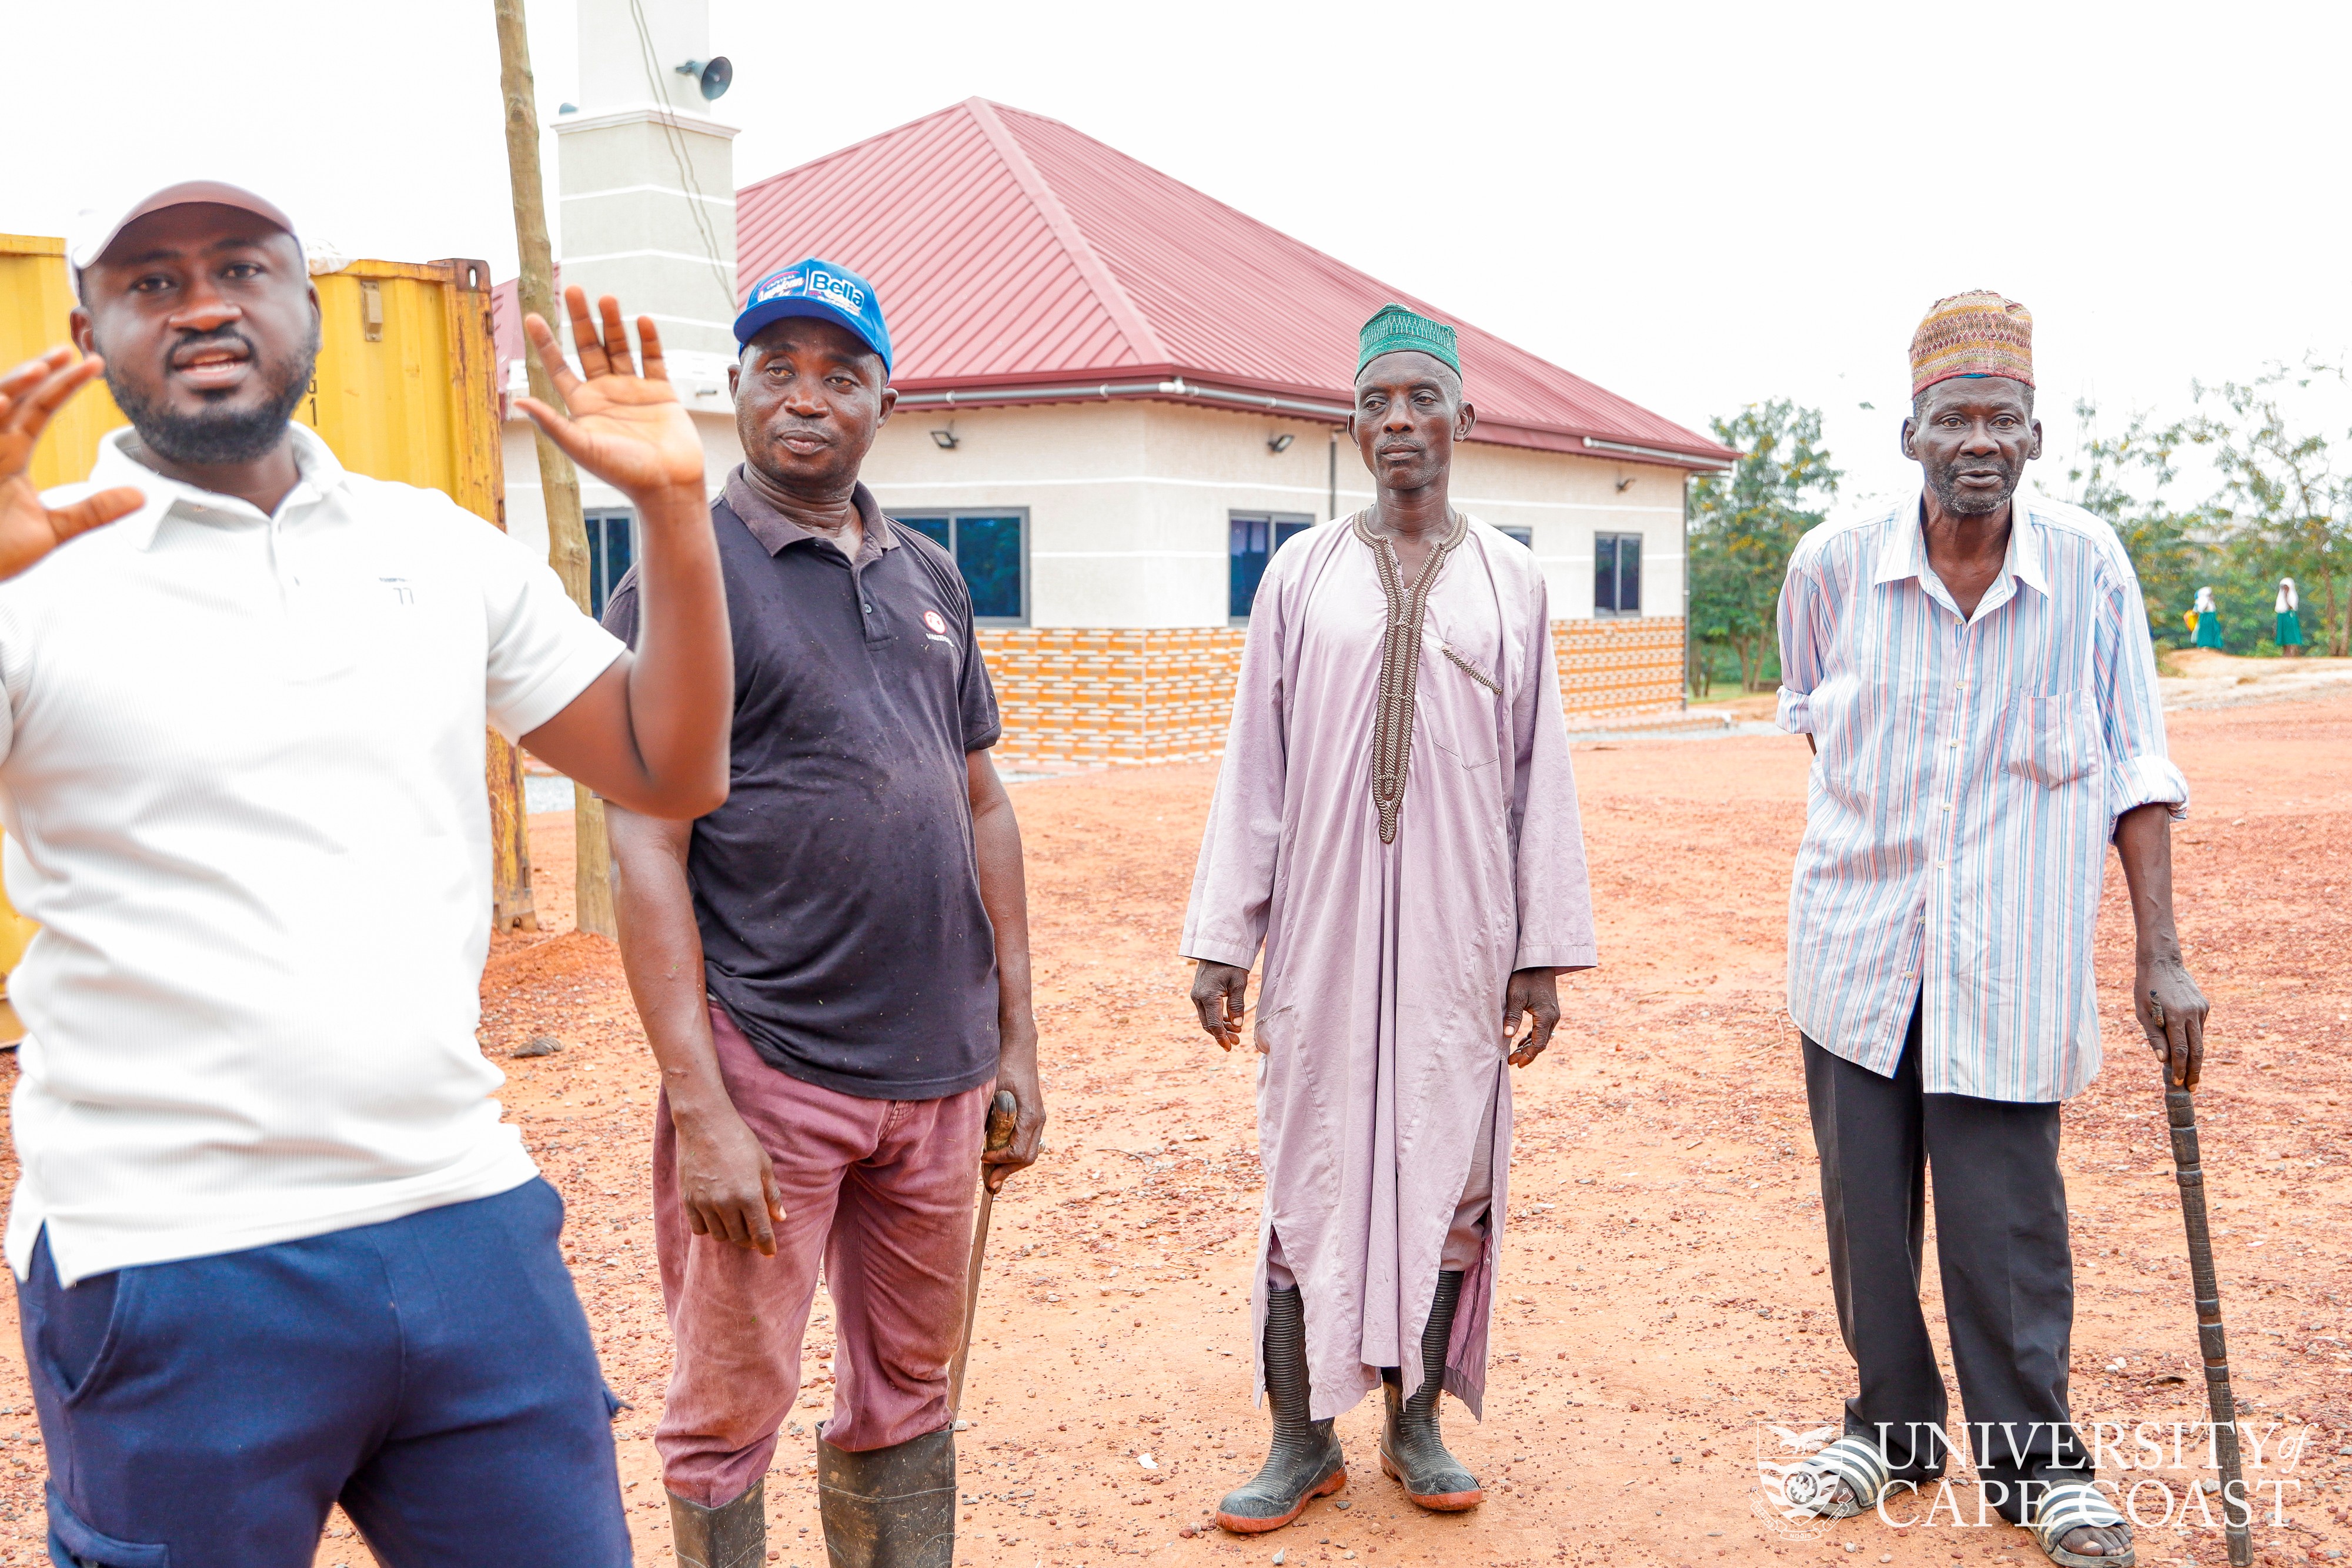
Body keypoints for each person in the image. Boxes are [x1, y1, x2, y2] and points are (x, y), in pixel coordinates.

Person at [0, 180, 731, 1564]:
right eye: (152, 281)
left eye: (241, 268)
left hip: (462, 1218)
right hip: (167, 1251)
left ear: (307, 305)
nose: (202, 305)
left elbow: (667, 766)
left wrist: (675, 513)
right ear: (87, 330)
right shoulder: (31, 568)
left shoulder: (434, 547)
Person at [602, 258, 1045, 1568]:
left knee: (910, 1383)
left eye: (839, 374)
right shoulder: (683, 574)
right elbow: (646, 843)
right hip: (773, 1072)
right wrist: (702, 1110)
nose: (807, 397)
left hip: (942, 1075)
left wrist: (1016, 1043)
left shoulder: (929, 576)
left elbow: (983, 806)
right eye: (777, 369)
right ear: (734, 388)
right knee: (728, 1403)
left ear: (882, 401)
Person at [1773, 290, 2209, 1568]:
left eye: (2002, 418)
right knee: (1864, 1212)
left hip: (2012, 954)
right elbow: (1814, 719)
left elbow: (2134, 761)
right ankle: (1890, 1430)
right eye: (1954, 417)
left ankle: (2036, 1466)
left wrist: (2160, 950)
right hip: (1856, 945)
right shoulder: (1829, 566)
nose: (1979, 439)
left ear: (2035, 434)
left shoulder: (2088, 568)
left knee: (2006, 1220)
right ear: (1909, 433)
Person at [1182, 304, 1595, 1533]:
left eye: (1422, 399)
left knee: (1446, 1166)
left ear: (1465, 416)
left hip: (1462, 935)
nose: (1399, 421)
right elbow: (1253, 763)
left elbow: (1540, 777)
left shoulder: (1513, 582)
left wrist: (1537, 953)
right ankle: (1299, 1436)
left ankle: (1415, 1425)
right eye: (1376, 402)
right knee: (1307, 1164)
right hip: (1319, 927)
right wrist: (1224, 934)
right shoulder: (1299, 574)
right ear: (1351, 424)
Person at [2277, 576, 2303, 656]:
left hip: (2289, 616)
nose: (2284, 589)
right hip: (2282, 616)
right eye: (2283, 587)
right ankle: (2285, 653)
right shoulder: (2280, 597)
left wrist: (2286, 598)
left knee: (2289, 635)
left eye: (2286, 587)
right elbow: (2279, 608)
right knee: (2283, 635)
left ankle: (2289, 653)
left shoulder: (2293, 596)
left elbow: (2291, 607)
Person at [2193, 584, 2224, 649]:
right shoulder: (2204, 601)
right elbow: (2202, 609)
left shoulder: (2211, 602)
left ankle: (2213, 645)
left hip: (2211, 618)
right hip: (2207, 618)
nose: (2212, 596)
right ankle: (2205, 645)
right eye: (2210, 595)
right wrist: (2206, 602)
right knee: (2207, 631)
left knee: (2215, 630)